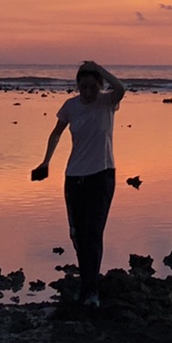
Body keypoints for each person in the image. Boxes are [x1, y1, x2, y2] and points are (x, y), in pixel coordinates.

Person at [31, 60, 126, 306]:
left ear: (99, 86)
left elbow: (121, 88)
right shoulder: (70, 106)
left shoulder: (107, 102)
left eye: (92, 87)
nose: (87, 92)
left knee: (93, 233)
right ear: (78, 86)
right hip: (74, 178)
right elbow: (56, 133)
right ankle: (87, 284)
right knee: (78, 235)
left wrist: (100, 67)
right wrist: (45, 161)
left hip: (102, 175)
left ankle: (91, 291)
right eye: (83, 87)